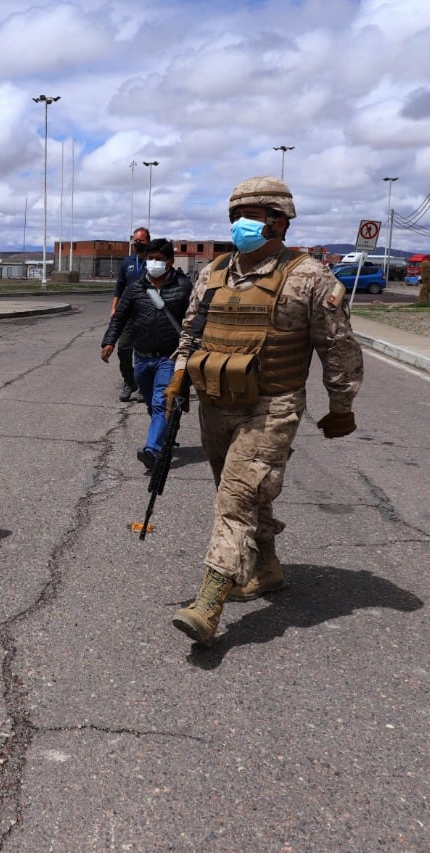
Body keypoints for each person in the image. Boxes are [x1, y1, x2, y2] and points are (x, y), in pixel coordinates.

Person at [165, 177, 363, 647]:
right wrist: (178, 374)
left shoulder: (308, 276)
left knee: (236, 498)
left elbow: (338, 347)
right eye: (236, 215)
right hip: (216, 402)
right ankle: (267, 569)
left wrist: (341, 405)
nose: (241, 224)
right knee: (244, 492)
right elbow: (191, 331)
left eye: (253, 215)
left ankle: (209, 602)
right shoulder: (213, 272)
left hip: (271, 406)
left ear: (280, 221)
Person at [100, 238, 193, 473]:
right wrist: (109, 341)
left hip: (169, 356)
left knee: (161, 403)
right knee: (153, 404)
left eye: (159, 260)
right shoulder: (136, 288)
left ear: (170, 261)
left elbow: (194, 320)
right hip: (141, 357)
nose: (153, 263)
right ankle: (166, 434)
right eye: (150, 258)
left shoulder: (183, 286)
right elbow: (119, 317)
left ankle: (152, 450)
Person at [112, 227, 151, 401]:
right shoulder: (128, 262)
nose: (137, 244)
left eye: (140, 241)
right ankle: (129, 381)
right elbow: (119, 287)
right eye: (135, 241)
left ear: (148, 241)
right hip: (127, 312)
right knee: (123, 348)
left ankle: (143, 385)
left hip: (147, 313)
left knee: (144, 351)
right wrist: (114, 307)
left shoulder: (154, 262)